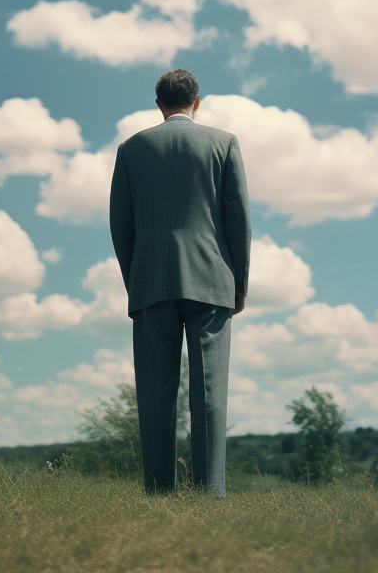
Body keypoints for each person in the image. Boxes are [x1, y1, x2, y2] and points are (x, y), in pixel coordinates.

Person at [109, 68, 251, 496]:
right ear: (197, 101)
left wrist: (136, 279)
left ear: (159, 105)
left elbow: (122, 226)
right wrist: (239, 283)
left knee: (155, 395)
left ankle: (159, 494)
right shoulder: (223, 143)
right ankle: (211, 494)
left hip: (151, 281)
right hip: (212, 280)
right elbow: (238, 219)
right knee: (209, 392)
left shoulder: (131, 149)